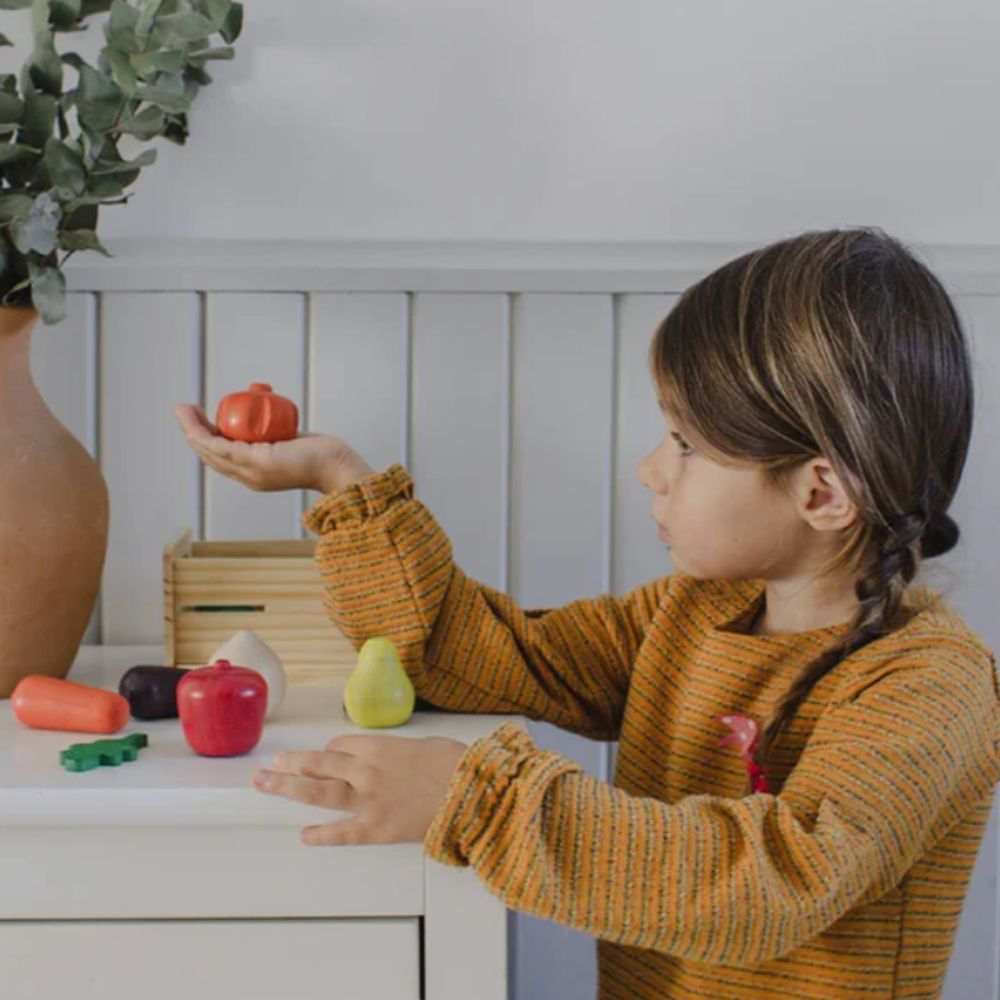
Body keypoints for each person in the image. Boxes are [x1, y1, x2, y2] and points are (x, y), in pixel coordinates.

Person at [173, 227, 1000, 999]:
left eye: (686, 445)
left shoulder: (931, 687)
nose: (651, 469)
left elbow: (776, 880)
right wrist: (342, 482)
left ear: (821, 493)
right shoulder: (687, 617)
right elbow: (471, 653)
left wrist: (483, 803)